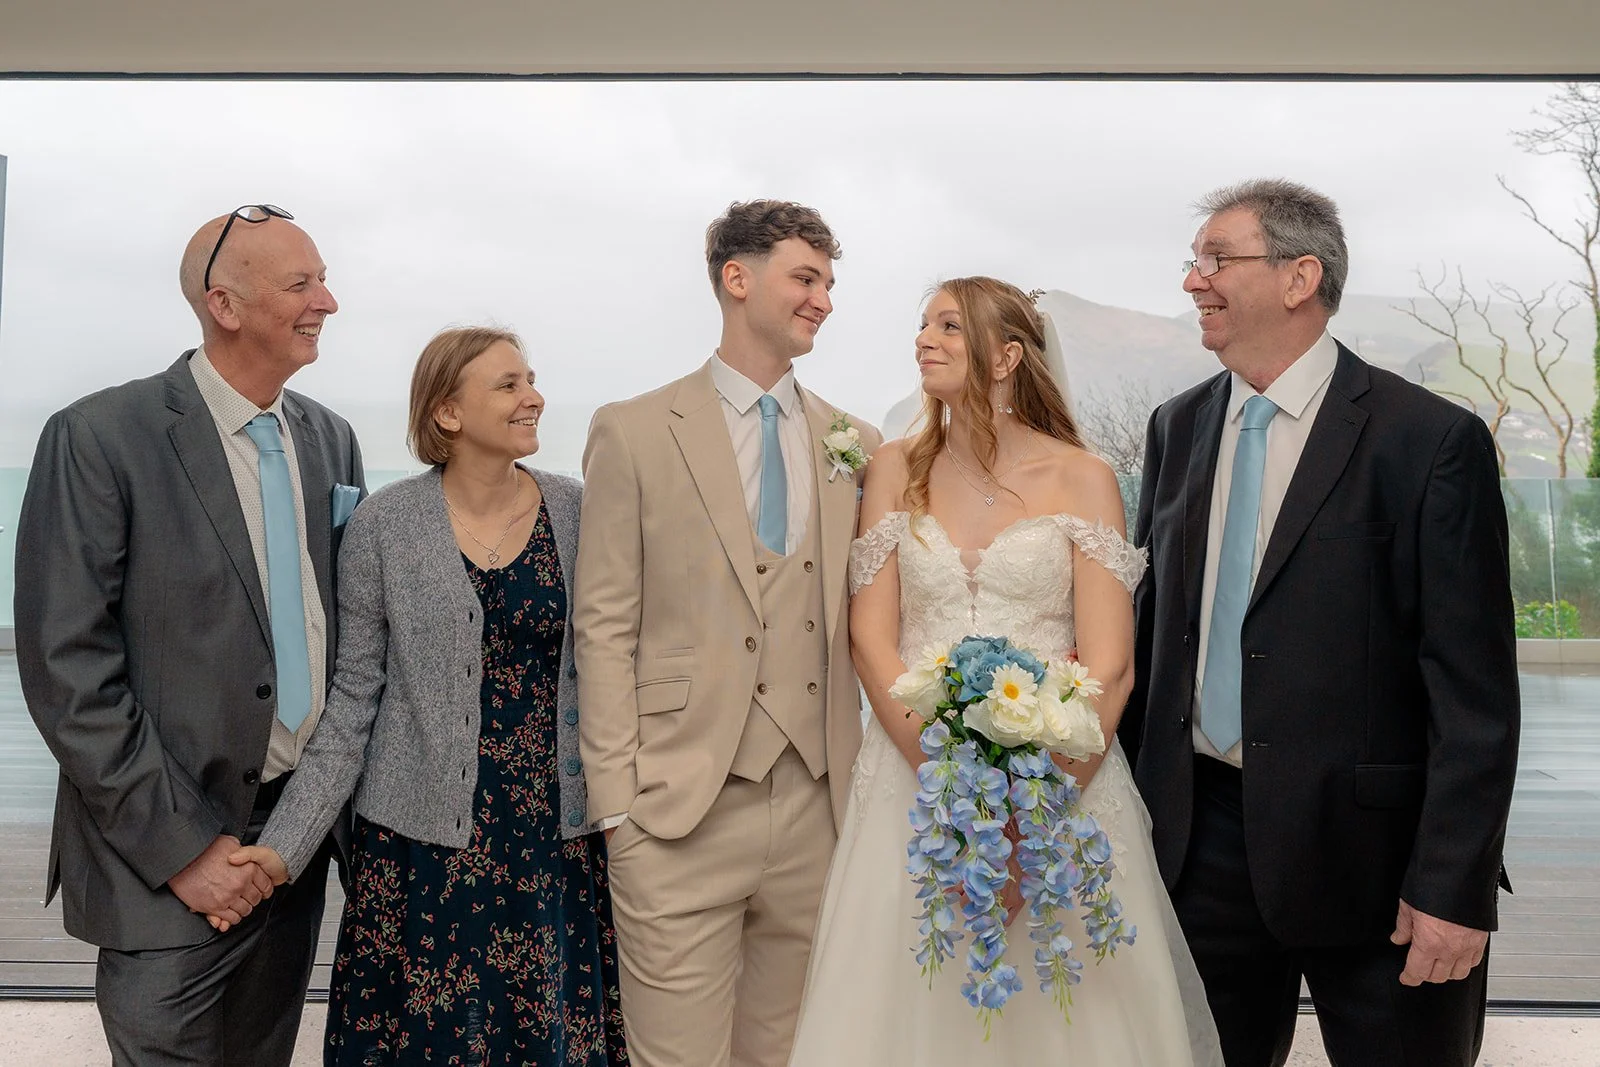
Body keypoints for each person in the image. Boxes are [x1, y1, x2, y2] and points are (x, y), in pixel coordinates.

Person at [1122, 178, 1520, 1066]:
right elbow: (1156, 634)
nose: (1194, 281)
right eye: (1195, 261)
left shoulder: (1428, 440)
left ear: (1301, 276)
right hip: (1195, 850)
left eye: (1216, 259)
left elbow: (1475, 692)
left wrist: (1453, 884)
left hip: (1380, 866)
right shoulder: (1175, 427)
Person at [787, 276, 1221, 1064]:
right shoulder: (894, 467)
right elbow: (871, 638)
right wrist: (948, 780)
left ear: (1007, 356)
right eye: (923, 323)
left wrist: (1034, 813)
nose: (925, 338)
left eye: (949, 326)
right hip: (912, 789)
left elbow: (1111, 667)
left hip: (1067, 780)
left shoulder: (1081, 476)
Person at [13, 205, 362, 1065]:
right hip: (159, 861)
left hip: (294, 850)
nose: (330, 300)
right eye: (302, 283)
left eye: (322, 277)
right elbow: (69, 668)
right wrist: (186, 852)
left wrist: (292, 840)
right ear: (225, 305)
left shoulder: (332, 440)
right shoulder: (97, 437)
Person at [232, 326, 627, 1064]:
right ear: (448, 411)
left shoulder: (580, 511)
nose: (533, 396)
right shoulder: (385, 523)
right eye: (508, 384)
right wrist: (282, 847)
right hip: (418, 854)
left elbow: (618, 667)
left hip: (553, 842)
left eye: (531, 379)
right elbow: (354, 701)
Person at [574, 199, 882, 1067]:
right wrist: (618, 806)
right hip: (676, 807)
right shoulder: (633, 430)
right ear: (737, 280)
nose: (823, 299)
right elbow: (602, 624)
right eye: (806, 277)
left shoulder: (855, 441)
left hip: (820, 805)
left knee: (790, 1052)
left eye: (828, 282)